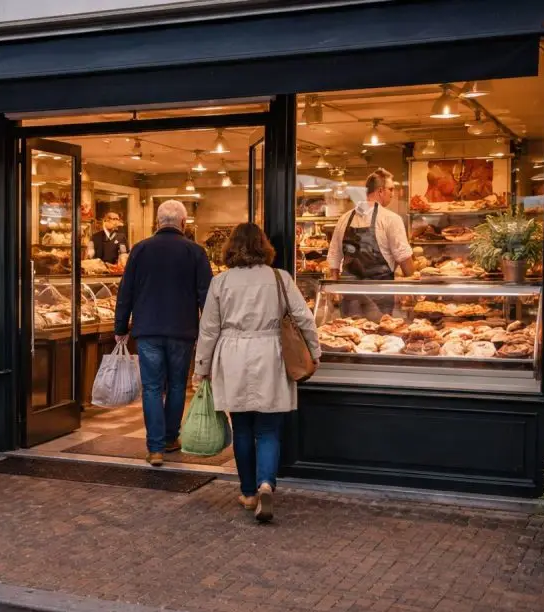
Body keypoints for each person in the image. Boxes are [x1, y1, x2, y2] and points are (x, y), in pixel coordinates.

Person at [193, 223, 321, 522]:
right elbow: (303, 318)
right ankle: (267, 483)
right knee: (268, 428)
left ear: (231, 247)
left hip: (233, 355)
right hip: (270, 354)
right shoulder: (280, 278)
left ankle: (249, 492)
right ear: (263, 245)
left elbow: (209, 329)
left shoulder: (221, 282)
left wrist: (201, 367)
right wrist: (314, 352)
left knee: (242, 428)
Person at [115, 200, 213, 467]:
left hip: (147, 329)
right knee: (178, 385)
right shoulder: (195, 252)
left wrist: (120, 327)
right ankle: (171, 438)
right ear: (183, 223)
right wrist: (209, 331)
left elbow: (126, 291)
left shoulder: (140, 250)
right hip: (183, 330)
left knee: (152, 387)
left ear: (157, 222)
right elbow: (207, 296)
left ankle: (155, 448)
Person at [326, 168, 414, 318]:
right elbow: (404, 258)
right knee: (376, 338)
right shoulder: (390, 219)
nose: (393, 194)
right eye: (391, 189)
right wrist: (414, 287)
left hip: (350, 294)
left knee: (350, 336)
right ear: (380, 191)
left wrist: (335, 288)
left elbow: (334, 259)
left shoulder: (344, 219)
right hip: (379, 294)